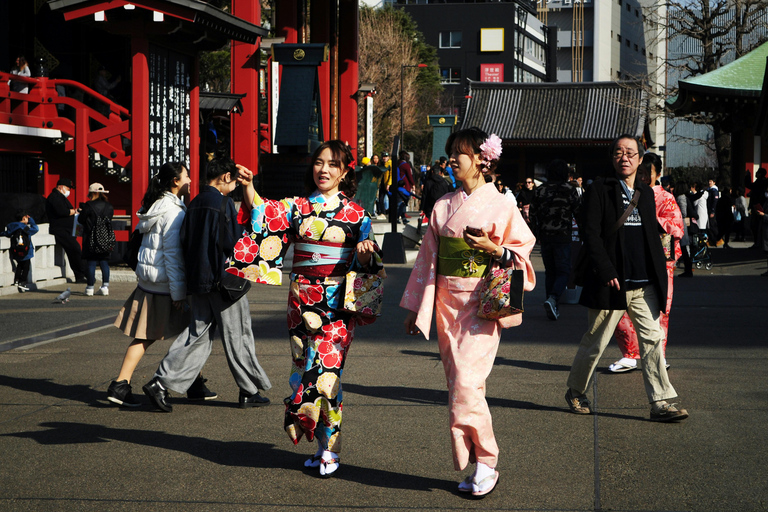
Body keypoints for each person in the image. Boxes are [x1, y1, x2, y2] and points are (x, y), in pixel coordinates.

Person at [231, 140, 384, 478]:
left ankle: (330, 447)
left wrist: (364, 252)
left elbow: (371, 260)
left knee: (328, 371)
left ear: (344, 172)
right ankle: (320, 445)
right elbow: (264, 213)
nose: (324, 169)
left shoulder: (357, 214)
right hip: (301, 300)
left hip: (337, 304)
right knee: (304, 368)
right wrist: (248, 185)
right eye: (318, 163)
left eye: (332, 164)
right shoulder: (298, 207)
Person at [401, 127, 536, 497]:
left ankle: (487, 461)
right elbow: (428, 261)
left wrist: (496, 249)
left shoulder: (503, 203)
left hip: (481, 304)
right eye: (450, 154)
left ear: (481, 158)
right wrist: (417, 308)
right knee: (459, 387)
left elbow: (522, 249)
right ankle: (477, 460)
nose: (451, 161)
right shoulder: (443, 205)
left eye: (458, 153)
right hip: (446, 304)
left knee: (466, 383)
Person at [567, 134, 688, 422]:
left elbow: (649, 238)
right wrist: (607, 270)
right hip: (612, 282)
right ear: (612, 158)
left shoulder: (645, 193)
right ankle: (575, 390)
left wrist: (660, 278)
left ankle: (660, 403)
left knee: (652, 340)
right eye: (619, 152)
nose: (625, 157)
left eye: (631, 152)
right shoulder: (599, 190)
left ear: (640, 159)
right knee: (596, 341)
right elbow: (591, 234)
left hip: (642, 282)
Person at [142, 157, 272, 413]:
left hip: (198, 281)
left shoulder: (194, 203)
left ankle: (160, 382)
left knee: (197, 334)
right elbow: (234, 244)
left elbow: (185, 241)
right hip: (224, 282)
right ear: (224, 177)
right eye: (234, 180)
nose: (234, 185)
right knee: (238, 334)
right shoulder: (223, 204)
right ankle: (249, 390)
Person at [110, 162, 215, 406]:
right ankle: (120, 385)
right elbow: (173, 255)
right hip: (167, 286)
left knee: (186, 334)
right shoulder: (174, 211)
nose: (190, 180)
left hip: (151, 282)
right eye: (186, 176)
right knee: (179, 335)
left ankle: (191, 383)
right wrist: (179, 294)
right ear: (175, 182)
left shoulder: (157, 205)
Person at [609, 152, 684, 373]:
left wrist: (649, 219)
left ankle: (658, 354)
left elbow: (675, 227)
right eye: (639, 172)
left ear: (657, 174)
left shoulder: (665, 197)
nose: (641, 177)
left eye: (646, 172)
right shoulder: (627, 192)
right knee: (622, 307)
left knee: (659, 309)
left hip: (659, 257)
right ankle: (630, 354)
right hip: (632, 256)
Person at [531, 159, 581, 321]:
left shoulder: (540, 190)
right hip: (562, 234)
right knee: (564, 271)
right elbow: (579, 212)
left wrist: (536, 233)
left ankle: (552, 304)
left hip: (545, 236)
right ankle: (553, 299)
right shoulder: (569, 190)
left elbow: (533, 214)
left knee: (550, 272)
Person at [45, 178, 87, 282]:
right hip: (60, 230)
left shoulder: (61, 197)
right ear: (61, 187)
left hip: (67, 229)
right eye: (68, 188)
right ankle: (83, 273)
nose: (69, 191)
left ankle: (80, 275)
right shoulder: (54, 197)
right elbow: (62, 211)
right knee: (75, 249)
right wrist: (75, 211)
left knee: (73, 252)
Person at [79, 183, 114, 296]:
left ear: (92, 193)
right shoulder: (109, 206)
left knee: (91, 263)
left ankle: (90, 287)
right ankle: (105, 286)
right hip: (105, 237)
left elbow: (81, 219)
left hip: (91, 238)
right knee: (104, 262)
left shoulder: (88, 205)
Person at [1, 210, 39, 292]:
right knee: (26, 267)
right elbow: (35, 229)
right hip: (26, 251)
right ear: (24, 218)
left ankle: (17, 280)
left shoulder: (12, 227)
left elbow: (6, 233)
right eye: (26, 218)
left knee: (19, 265)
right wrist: (31, 220)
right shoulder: (25, 228)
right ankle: (22, 282)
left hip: (16, 251)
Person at [675, 180, 694, 278]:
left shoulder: (681, 197)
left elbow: (683, 212)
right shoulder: (682, 197)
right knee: (683, 248)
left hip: (680, 224)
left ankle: (688, 269)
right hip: (681, 224)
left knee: (683, 248)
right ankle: (688, 269)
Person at [394, 150, 415, 225]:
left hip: (398, 184)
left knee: (400, 203)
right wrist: (413, 184)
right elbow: (410, 175)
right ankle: (399, 217)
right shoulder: (406, 165)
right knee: (403, 202)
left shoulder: (397, 163)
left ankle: (403, 218)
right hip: (405, 184)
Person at [748, 168, 768, 249]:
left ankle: (758, 243)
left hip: (760, 206)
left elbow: (750, 185)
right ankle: (758, 243)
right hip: (759, 205)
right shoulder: (761, 181)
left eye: (757, 172)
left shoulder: (761, 181)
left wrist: (748, 177)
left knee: (756, 225)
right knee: (756, 226)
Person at [377, 151, 392, 218]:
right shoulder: (381, 164)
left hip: (388, 184)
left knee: (391, 199)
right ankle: (383, 212)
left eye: (386, 156)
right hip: (382, 183)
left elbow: (391, 175)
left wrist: (389, 184)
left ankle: (391, 212)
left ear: (388, 157)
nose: (384, 158)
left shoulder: (390, 164)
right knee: (381, 198)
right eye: (383, 157)